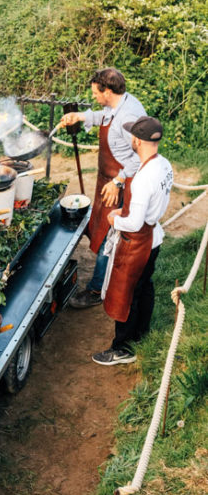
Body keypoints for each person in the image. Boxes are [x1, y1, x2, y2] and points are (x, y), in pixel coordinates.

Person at [59, 68, 147, 309]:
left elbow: (141, 155)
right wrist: (80, 116)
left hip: (120, 181)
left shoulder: (130, 117)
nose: (94, 97)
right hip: (106, 178)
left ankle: (97, 289)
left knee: (109, 233)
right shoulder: (118, 103)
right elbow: (105, 116)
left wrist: (119, 181)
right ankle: (103, 276)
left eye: (96, 93)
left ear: (107, 91)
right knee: (101, 225)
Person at [93, 116, 173, 366]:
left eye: (131, 136)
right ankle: (141, 334)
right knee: (144, 287)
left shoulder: (142, 179)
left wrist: (113, 218)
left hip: (137, 242)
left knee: (126, 295)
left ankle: (123, 348)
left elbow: (134, 223)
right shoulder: (164, 165)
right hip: (154, 237)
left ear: (137, 141)